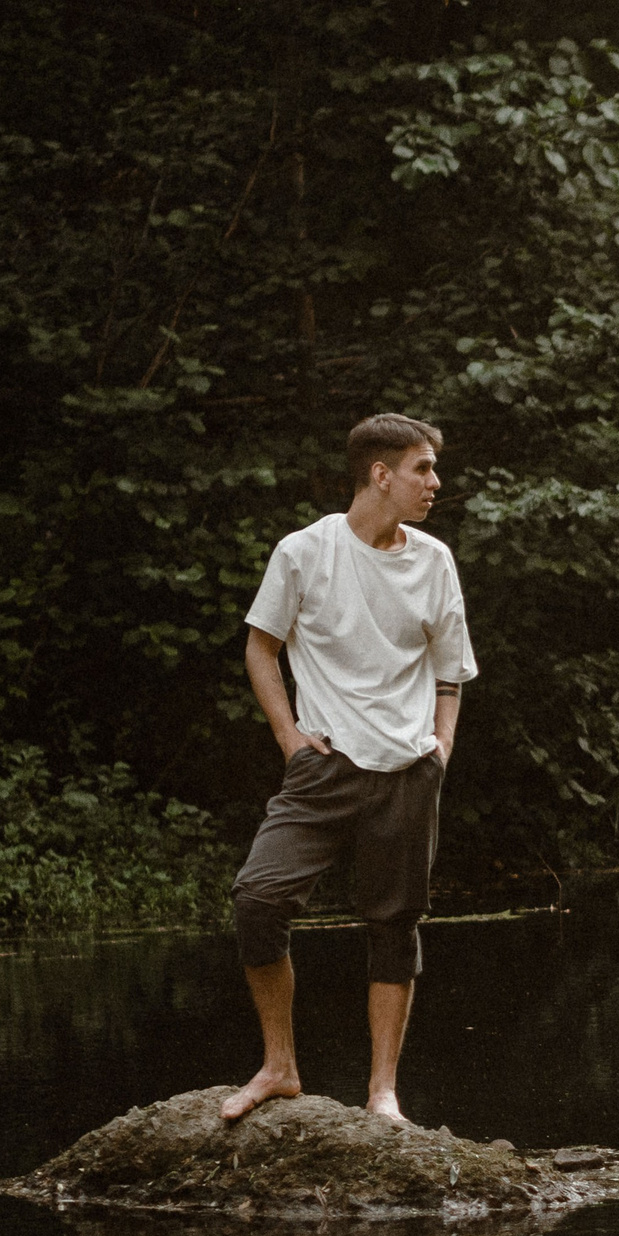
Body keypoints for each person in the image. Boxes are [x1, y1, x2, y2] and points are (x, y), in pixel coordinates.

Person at [223, 413, 475, 1125]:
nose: (435, 482)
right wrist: (289, 737)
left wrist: (441, 747)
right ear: (380, 474)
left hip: (408, 773)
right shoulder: (305, 552)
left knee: (395, 925)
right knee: (258, 900)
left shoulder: (434, 561)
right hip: (324, 769)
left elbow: (450, 672)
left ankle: (383, 1093)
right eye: (423, 468)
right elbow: (261, 647)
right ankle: (280, 1067)